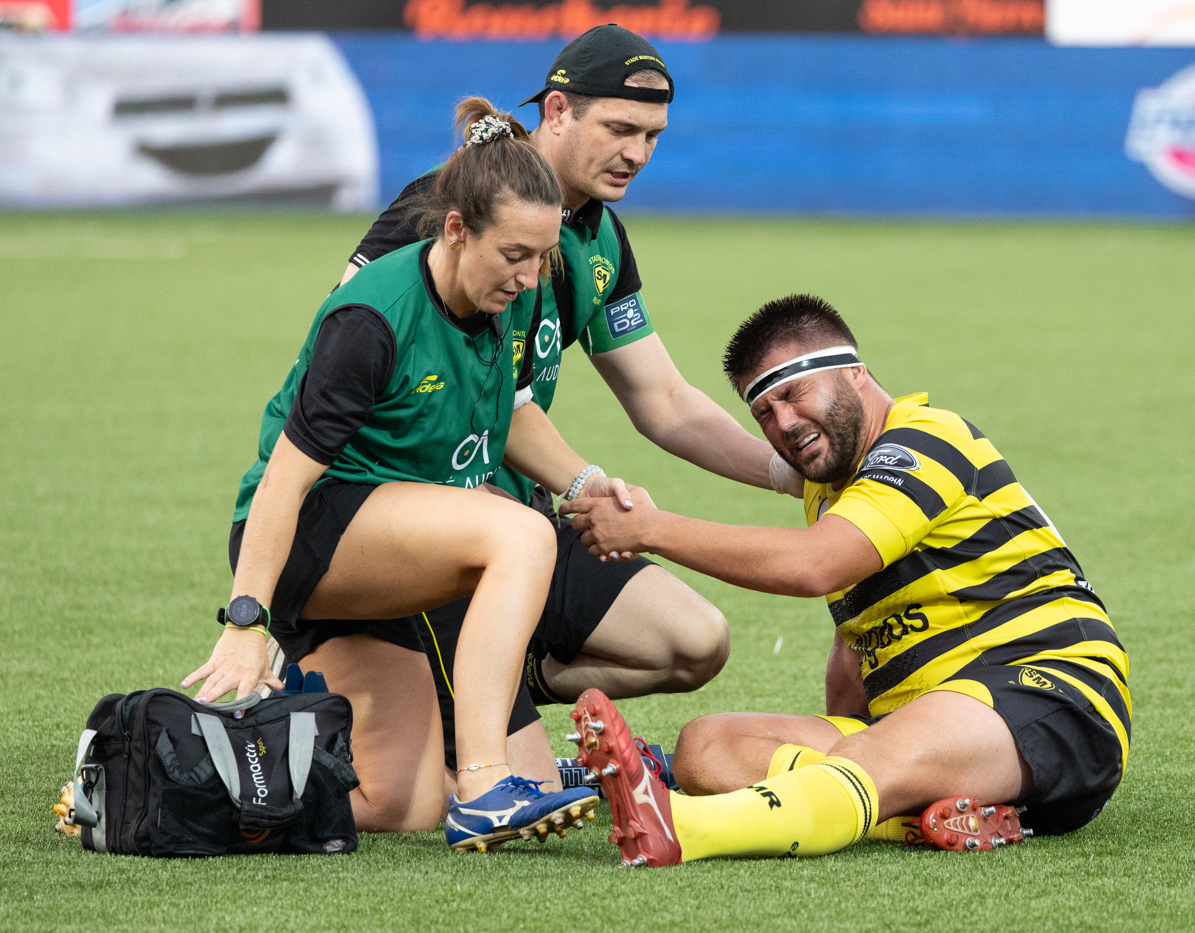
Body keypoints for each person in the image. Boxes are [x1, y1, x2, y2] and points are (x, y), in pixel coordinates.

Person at [322, 25, 796, 786]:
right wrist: (583, 482)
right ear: (557, 110)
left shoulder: (600, 236)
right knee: (528, 793)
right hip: (427, 524)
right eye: (620, 129)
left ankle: (499, 674)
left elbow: (664, 398)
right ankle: (449, 700)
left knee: (695, 640)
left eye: (652, 136)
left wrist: (790, 472)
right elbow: (362, 359)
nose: (637, 154)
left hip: (524, 520)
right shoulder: (453, 206)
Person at [182, 100, 631, 850]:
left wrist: (588, 482)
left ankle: (184, 777)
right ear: (455, 228)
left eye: (542, 258)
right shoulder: (372, 321)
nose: (528, 279)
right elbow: (284, 481)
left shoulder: (502, 303)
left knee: (402, 800)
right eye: (514, 254)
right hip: (314, 533)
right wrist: (245, 620)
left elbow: (504, 422)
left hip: (391, 547)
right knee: (521, 534)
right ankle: (487, 781)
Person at [564, 294, 1131, 866]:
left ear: (855, 371)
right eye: (763, 412)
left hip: (1046, 693)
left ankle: (684, 826)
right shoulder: (828, 491)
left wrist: (650, 530)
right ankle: (919, 818)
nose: (782, 423)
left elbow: (816, 565)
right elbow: (857, 640)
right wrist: (841, 725)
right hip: (921, 719)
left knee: (869, 755)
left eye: (792, 392)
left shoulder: (925, 440)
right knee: (706, 748)